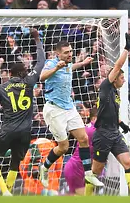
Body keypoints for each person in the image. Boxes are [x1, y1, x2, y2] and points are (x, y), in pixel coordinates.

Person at [0, 29, 45, 196]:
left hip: (8, 129)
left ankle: (4, 191)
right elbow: (41, 62)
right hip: (25, 132)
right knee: (15, 161)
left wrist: (2, 109)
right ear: (23, 72)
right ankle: (8, 192)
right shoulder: (29, 82)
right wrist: (37, 39)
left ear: (10, 74)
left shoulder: (1, 87)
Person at [39, 41, 103, 188]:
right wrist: (56, 67)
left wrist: (83, 63)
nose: (70, 54)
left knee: (84, 138)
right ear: (58, 54)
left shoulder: (68, 63)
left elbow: (70, 67)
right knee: (63, 147)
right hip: (54, 110)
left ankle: (88, 174)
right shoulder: (51, 63)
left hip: (69, 108)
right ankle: (44, 168)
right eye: (66, 52)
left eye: (71, 51)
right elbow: (42, 77)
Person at [91, 36, 130, 196]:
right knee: (96, 171)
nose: (124, 80)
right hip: (103, 134)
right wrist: (127, 48)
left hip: (114, 133)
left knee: (128, 163)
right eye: (122, 77)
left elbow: (110, 112)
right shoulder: (106, 86)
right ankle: (85, 198)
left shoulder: (115, 93)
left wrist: (121, 124)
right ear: (114, 78)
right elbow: (118, 65)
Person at [64, 108, 97, 196]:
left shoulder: (88, 129)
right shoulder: (93, 131)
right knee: (89, 201)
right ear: (94, 119)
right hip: (76, 169)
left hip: (76, 168)